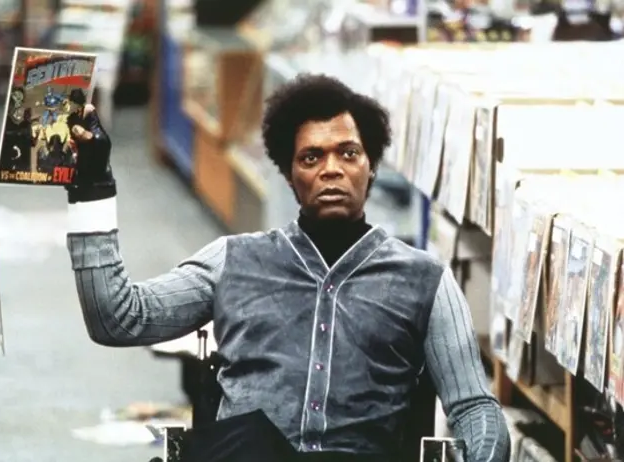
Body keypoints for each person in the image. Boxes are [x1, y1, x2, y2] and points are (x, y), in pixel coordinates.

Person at [65, 74, 510, 462]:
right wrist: (92, 186)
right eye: (311, 157)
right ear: (289, 174)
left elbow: (474, 406)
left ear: (371, 167)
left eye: (348, 153)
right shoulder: (233, 260)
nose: (331, 170)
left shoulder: (425, 280)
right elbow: (116, 318)